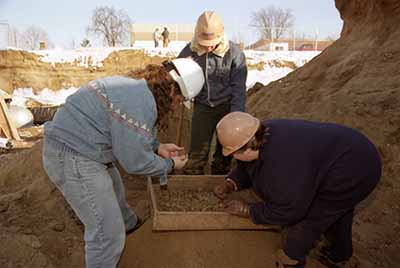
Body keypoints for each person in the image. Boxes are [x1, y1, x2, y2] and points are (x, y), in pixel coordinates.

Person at [42, 58, 205, 268]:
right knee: (106, 235)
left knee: (115, 187)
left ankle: (131, 228)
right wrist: (170, 165)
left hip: (83, 146)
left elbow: (128, 132)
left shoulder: (137, 89)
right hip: (72, 156)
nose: (176, 107)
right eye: (180, 100)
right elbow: (135, 162)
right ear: (173, 91)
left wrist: (158, 147)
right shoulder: (141, 103)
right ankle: (114, 242)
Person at [213, 112, 381, 268]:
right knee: (338, 211)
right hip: (348, 148)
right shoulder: (259, 134)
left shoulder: (282, 165)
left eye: (233, 153)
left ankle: (292, 259)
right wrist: (231, 183)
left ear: (248, 146)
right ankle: (339, 254)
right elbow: (247, 165)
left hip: (356, 169)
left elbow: (290, 211)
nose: (233, 157)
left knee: (312, 219)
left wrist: (248, 210)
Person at [178, 11, 247, 175]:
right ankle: (194, 174)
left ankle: (221, 174)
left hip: (227, 105)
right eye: (204, 43)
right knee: (198, 148)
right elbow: (179, 76)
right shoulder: (189, 51)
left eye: (212, 43)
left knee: (226, 148)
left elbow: (239, 88)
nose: (208, 47)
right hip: (203, 106)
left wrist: (236, 116)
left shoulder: (234, 54)